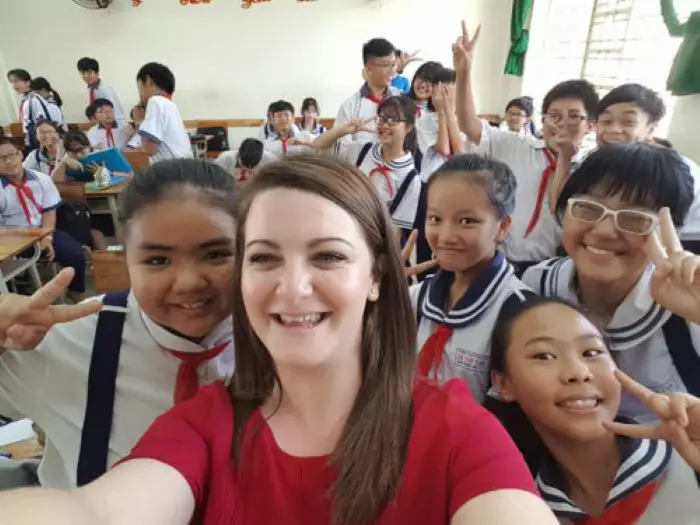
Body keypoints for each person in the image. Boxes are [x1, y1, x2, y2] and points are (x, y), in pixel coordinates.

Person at [0, 153, 557, 524]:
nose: (293, 289)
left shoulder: (454, 430)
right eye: (265, 258)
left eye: (328, 256)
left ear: (377, 275)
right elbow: (96, 513)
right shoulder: (204, 423)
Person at [0, 159, 237, 490]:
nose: (187, 283)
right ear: (124, 260)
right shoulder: (66, 338)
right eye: (157, 260)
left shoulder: (285, 341)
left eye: (215, 255)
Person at [522, 142, 700, 422]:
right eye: (588, 208)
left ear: (671, 231)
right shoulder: (536, 285)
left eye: (635, 218)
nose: (604, 231)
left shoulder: (686, 307)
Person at [485, 296, 700, 522]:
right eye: (544, 356)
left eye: (591, 352)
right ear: (503, 384)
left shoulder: (687, 458)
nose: (578, 372)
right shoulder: (523, 509)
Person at [453, 21, 598, 271]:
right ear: (542, 120)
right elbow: (468, 124)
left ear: (591, 125)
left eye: (574, 116)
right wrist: (464, 72)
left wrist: (566, 157)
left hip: (551, 268)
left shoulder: (592, 169)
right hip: (498, 259)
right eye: (554, 115)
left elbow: (562, 212)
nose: (562, 124)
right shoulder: (517, 145)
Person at [411, 154, 532, 402]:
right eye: (435, 218)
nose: (445, 236)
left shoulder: (520, 314)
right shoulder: (417, 298)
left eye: (466, 221)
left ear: (503, 227)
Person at [549, 83, 700, 254]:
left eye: (628, 122)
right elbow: (562, 211)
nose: (613, 130)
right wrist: (565, 157)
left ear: (651, 127)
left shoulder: (678, 173)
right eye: (606, 121)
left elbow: (666, 239)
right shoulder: (596, 160)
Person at [312, 96, 421, 234]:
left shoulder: (410, 177)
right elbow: (319, 145)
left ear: (409, 127)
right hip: (341, 228)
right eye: (381, 119)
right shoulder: (362, 151)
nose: (385, 125)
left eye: (393, 120)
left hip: (374, 241)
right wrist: (344, 130)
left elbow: (396, 231)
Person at [0, 136, 86, 302]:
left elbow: (48, 212)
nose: (9, 161)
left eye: (12, 154)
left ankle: (76, 290)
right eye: (2, 158)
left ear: (20, 154)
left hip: (42, 230)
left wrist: (46, 237)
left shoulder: (42, 179)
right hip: (9, 237)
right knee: (8, 271)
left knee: (74, 253)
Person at [334, 38, 401, 143]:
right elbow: (342, 146)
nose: (392, 70)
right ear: (369, 69)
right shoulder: (349, 106)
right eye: (386, 65)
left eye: (393, 65)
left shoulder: (399, 98)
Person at [136, 62, 193, 163]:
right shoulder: (169, 105)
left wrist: (139, 121)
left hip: (172, 171)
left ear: (148, 80)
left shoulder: (155, 101)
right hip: (184, 167)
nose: (140, 96)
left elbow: (150, 149)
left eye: (140, 89)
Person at [77, 57, 125, 122]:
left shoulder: (105, 89)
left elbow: (114, 112)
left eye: (89, 72)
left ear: (97, 73)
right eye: (83, 73)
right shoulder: (91, 88)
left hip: (114, 124)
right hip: (102, 124)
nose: (85, 76)